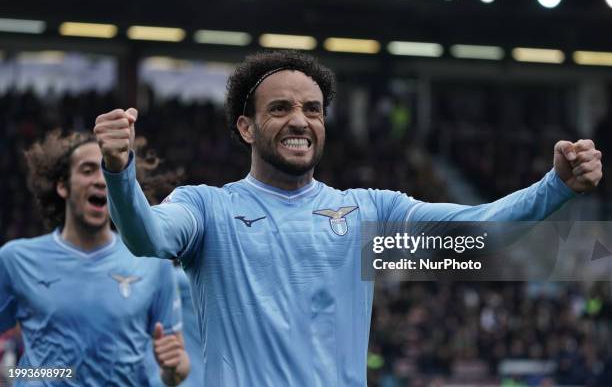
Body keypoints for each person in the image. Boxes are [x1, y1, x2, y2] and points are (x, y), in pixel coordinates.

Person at [94, 50, 603, 386]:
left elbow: (478, 228)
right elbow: (147, 238)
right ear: (246, 127)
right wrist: (120, 173)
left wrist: (554, 186)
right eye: (281, 108)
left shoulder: (369, 211)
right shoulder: (208, 207)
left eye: (313, 109)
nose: (300, 120)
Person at [0, 130, 190, 386]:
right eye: (88, 170)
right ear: (62, 186)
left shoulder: (153, 262)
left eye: (106, 171)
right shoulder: (16, 260)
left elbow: (176, 367)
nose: (101, 180)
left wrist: (174, 368)